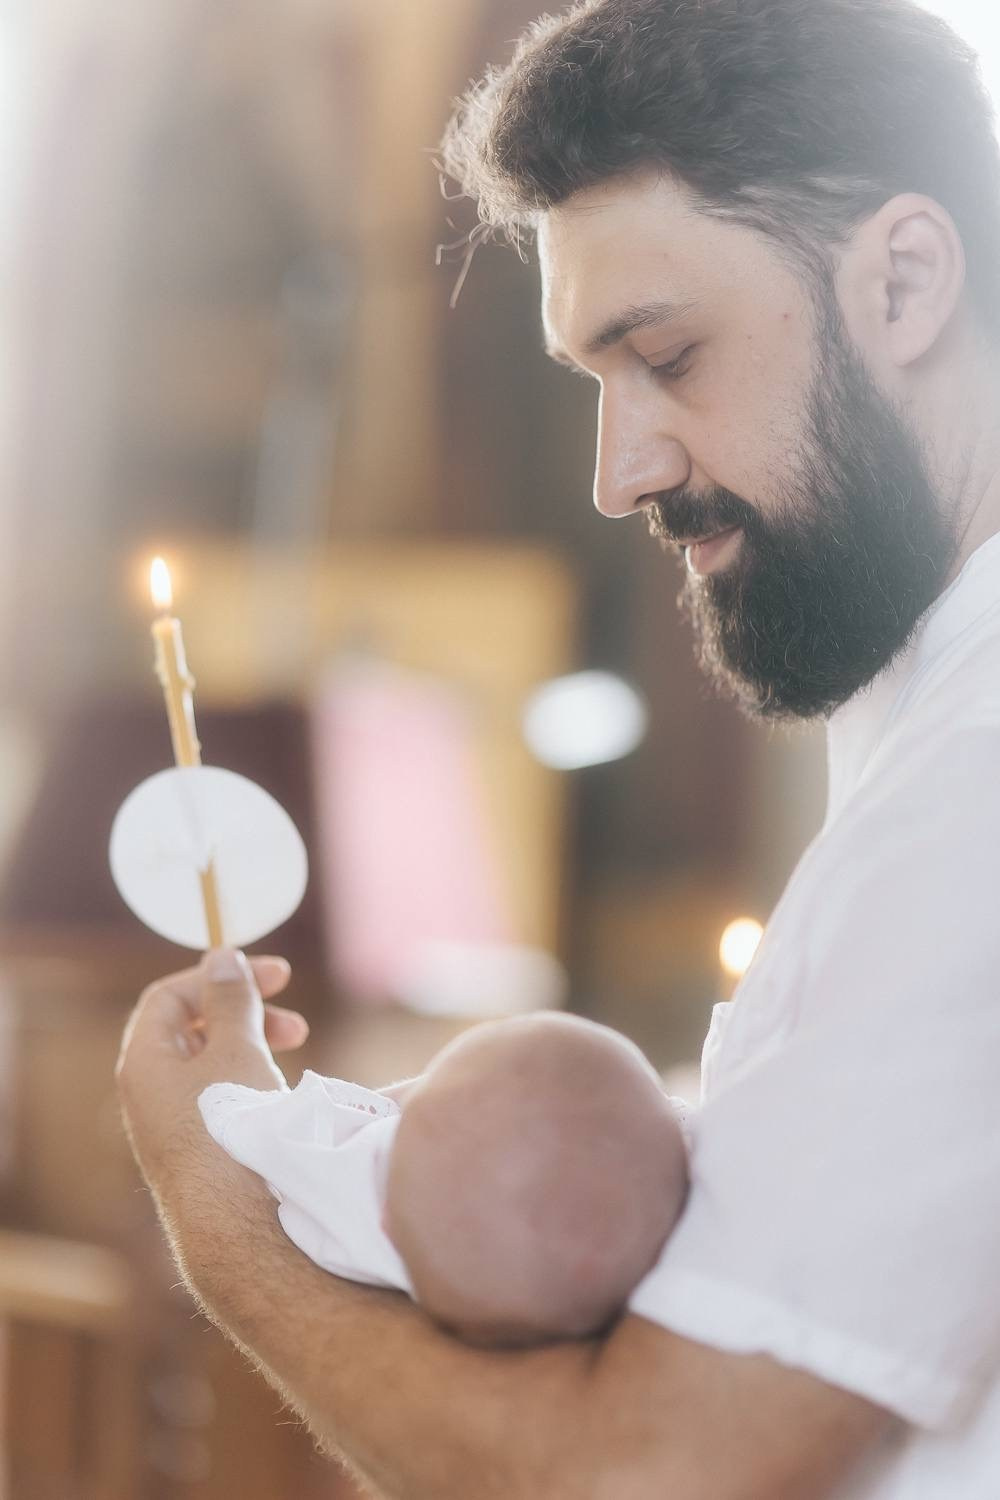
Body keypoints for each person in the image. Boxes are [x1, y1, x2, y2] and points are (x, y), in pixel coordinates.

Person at [116, 1, 1000, 1494]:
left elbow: (636, 1477)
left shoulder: (974, 790)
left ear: (905, 280)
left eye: (668, 354)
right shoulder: (926, 711)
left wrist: (223, 1214)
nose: (618, 472)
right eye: (596, 381)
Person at [197, 1012, 690, 1346]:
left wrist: (233, 1031)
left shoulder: (350, 1203)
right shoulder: (602, 1290)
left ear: (386, 1222)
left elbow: (235, 1116)